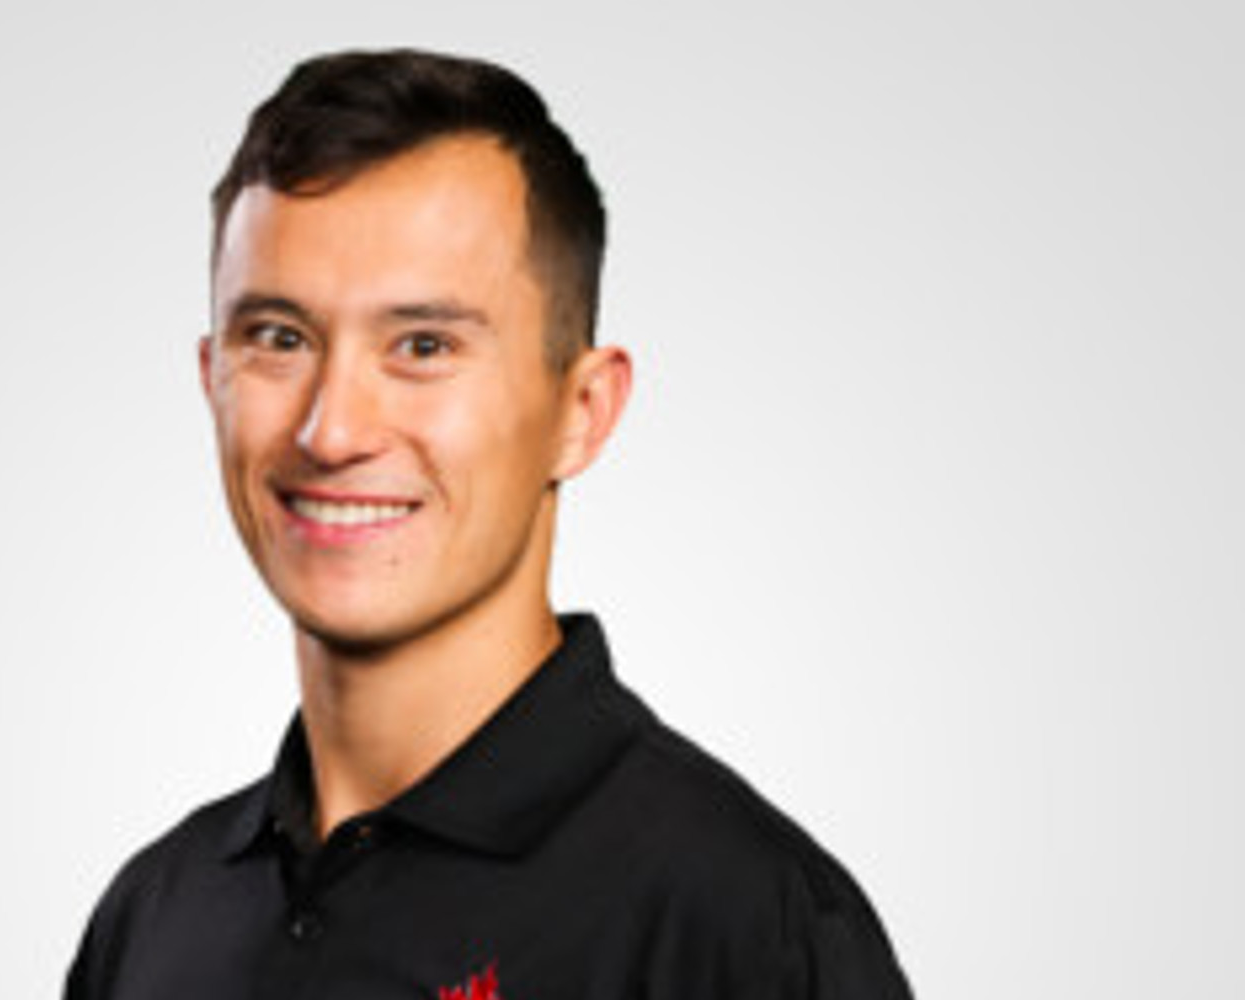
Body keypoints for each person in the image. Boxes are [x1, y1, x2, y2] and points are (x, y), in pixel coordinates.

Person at [64, 48, 914, 999]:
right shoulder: (152, 920)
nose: (332, 428)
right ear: (210, 377)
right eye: (278, 339)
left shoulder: (742, 926)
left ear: (582, 411)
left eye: (423, 345)